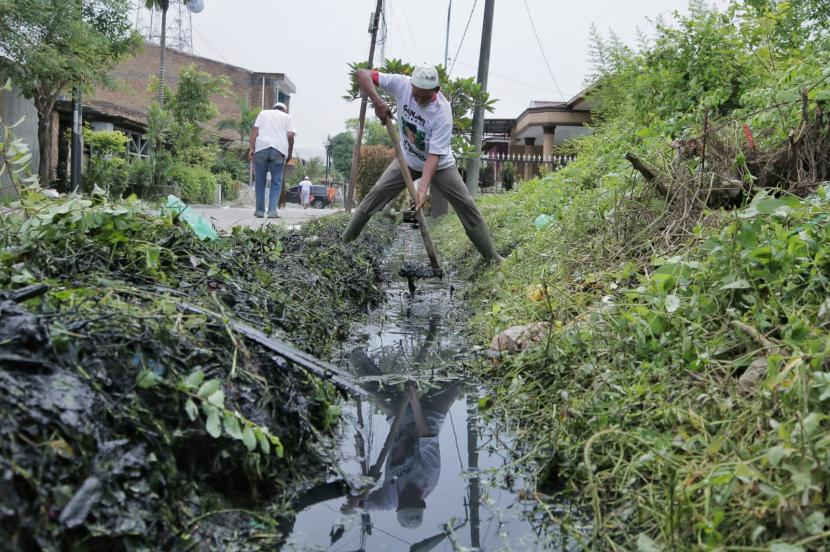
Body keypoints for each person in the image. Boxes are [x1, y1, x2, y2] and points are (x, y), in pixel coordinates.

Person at [342, 66, 501, 263]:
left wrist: (422, 190)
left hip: (441, 165)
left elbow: (433, 156)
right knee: (377, 192)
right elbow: (362, 74)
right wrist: (378, 102)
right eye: (415, 95)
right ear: (411, 86)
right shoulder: (402, 84)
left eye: (424, 97)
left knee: (466, 204)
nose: (417, 100)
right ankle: (345, 242)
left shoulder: (442, 112)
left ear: (437, 90)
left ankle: (492, 258)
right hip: (407, 160)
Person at [248, 101, 295, 218]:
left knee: (260, 181)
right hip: (278, 151)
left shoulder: (263, 113)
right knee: (276, 182)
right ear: (284, 110)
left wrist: (251, 148)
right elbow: (290, 135)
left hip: (261, 149)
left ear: (274, 108)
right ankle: (272, 211)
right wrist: (289, 152)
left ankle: (259, 211)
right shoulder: (287, 117)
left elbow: (255, 130)